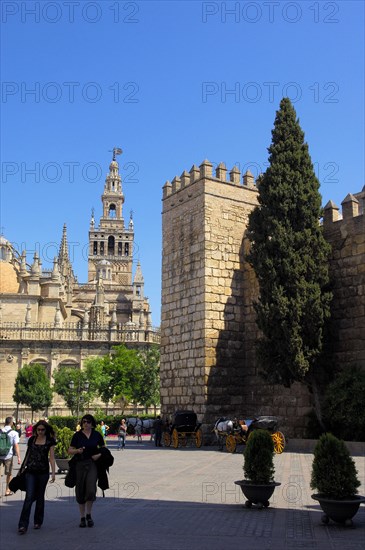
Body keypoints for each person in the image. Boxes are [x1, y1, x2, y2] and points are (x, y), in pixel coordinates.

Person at [17, 420, 56, 534]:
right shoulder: (32, 440)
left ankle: (38, 521)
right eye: (38, 430)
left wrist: (53, 473)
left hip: (43, 472)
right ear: (35, 430)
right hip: (31, 472)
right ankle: (23, 525)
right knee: (29, 497)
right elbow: (28, 455)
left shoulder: (50, 441)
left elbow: (52, 458)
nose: (40, 432)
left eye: (42, 430)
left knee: (40, 497)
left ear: (46, 430)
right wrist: (22, 468)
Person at [68, 414, 105, 528]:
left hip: (92, 464)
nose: (86, 424)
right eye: (84, 422)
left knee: (90, 489)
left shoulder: (96, 435)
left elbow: (103, 449)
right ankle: (82, 517)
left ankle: (89, 514)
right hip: (80, 464)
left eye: (88, 422)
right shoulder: (77, 436)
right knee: (80, 490)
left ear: (92, 423)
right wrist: (77, 451)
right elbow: (69, 450)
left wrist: (98, 455)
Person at [0, 416, 21, 496]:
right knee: (9, 474)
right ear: (12, 423)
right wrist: (19, 457)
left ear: (5, 422)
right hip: (9, 456)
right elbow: (16, 445)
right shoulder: (14, 433)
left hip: (0, 455)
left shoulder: (0, 431)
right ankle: (7, 490)